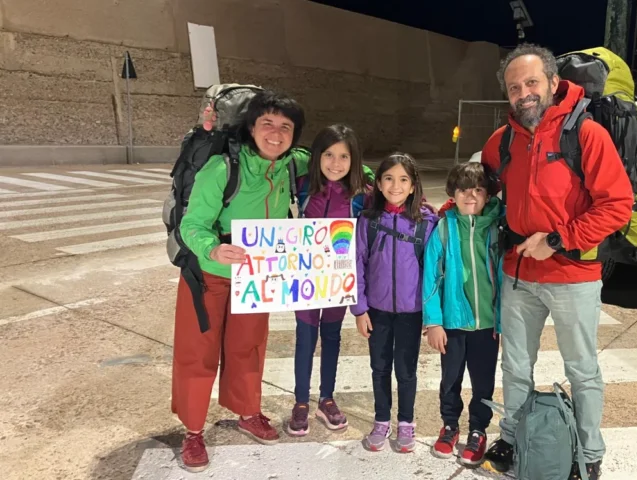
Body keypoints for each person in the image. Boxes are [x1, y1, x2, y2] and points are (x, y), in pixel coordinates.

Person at [478, 43, 634, 480]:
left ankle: (588, 453)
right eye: (514, 87)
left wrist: (559, 239)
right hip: (518, 273)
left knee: (582, 369)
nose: (523, 93)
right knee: (514, 366)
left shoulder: (585, 134)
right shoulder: (504, 139)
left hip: (573, 275)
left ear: (551, 82)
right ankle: (513, 437)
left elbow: (616, 205)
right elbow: (481, 185)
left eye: (531, 83)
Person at [171, 89, 310, 472]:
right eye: (267, 124)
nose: (276, 134)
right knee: (198, 353)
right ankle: (193, 431)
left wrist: (378, 179)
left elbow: (340, 161)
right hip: (209, 276)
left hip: (256, 277)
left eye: (286, 127)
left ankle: (249, 412)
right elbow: (193, 224)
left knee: (248, 347)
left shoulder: (293, 164)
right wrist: (212, 249)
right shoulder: (222, 168)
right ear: (251, 128)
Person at [287, 124, 373, 436]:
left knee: (332, 338)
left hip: (339, 280)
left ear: (354, 161)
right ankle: (300, 401)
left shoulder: (363, 194)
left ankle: (326, 398)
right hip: (305, 277)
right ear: (317, 156)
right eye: (328, 155)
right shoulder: (302, 185)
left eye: (344, 157)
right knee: (305, 339)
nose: (335, 163)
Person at [351, 153, 438, 453]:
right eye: (388, 178)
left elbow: (433, 272)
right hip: (377, 309)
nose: (396, 185)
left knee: (406, 369)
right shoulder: (368, 221)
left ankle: (406, 422)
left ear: (413, 186)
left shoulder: (426, 223)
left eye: (403, 179)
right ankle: (381, 419)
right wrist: (360, 309)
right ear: (378, 183)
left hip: (411, 312)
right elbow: (357, 264)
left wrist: (431, 315)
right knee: (379, 367)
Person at [422, 161, 504, 466]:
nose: (471, 196)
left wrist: (503, 320)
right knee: (451, 378)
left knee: (483, 381)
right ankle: (450, 425)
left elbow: (506, 277)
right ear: (452, 194)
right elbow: (431, 277)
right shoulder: (445, 228)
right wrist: (433, 321)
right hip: (453, 323)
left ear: (487, 195)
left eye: (479, 190)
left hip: (487, 325)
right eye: (464, 190)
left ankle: (478, 429)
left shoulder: (496, 228)